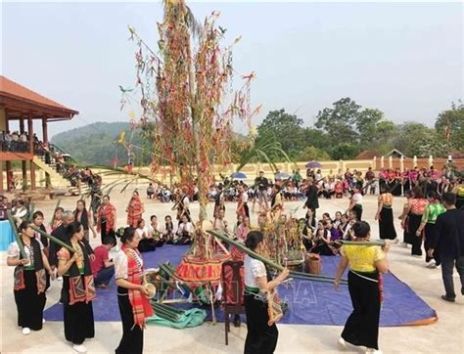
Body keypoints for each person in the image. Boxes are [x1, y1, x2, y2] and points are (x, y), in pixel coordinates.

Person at [334, 221, 389, 354]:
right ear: (369, 234)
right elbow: (384, 269)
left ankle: (345, 336)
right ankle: (371, 347)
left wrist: (337, 279)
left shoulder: (348, 246)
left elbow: (342, 265)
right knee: (371, 313)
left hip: (353, 279)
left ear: (355, 233)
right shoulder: (374, 248)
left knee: (359, 310)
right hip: (369, 281)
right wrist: (385, 252)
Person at [243, 231, 289, 354]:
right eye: (264, 242)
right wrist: (281, 277)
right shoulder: (257, 263)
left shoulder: (248, 255)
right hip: (257, 301)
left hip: (250, 298)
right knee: (270, 335)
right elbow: (264, 288)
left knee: (254, 332)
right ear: (260, 244)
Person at [7, 221, 52, 335]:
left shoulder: (37, 242)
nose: (34, 230)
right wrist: (19, 261)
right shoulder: (16, 244)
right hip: (24, 274)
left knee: (39, 297)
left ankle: (36, 318)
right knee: (24, 299)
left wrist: (49, 270)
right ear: (23, 230)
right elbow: (9, 261)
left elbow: (42, 256)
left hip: (37, 273)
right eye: (31, 228)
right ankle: (25, 323)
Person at [57, 222, 95, 353]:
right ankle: (76, 339)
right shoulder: (64, 249)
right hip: (71, 283)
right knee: (74, 310)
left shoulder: (82, 244)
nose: (83, 233)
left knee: (84, 307)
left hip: (83, 279)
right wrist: (72, 259)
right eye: (81, 231)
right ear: (75, 233)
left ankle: (85, 332)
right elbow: (60, 271)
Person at [114, 227, 153, 354]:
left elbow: (140, 270)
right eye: (136, 237)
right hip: (127, 295)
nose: (139, 239)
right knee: (131, 326)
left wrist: (145, 282)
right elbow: (119, 280)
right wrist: (139, 287)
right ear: (129, 240)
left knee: (137, 327)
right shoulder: (122, 256)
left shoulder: (135, 251)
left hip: (137, 291)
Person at [429, 193, 464, 302]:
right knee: (463, 270)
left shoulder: (442, 217)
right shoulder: (462, 215)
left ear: (444, 202)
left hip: (447, 248)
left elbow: (436, 235)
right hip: (462, 247)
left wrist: (431, 248)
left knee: (447, 273)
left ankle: (450, 295)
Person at [416, 191, 446, 267]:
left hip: (430, 226)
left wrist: (419, 229)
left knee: (428, 242)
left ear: (432, 198)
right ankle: (438, 260)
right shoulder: (442, 207)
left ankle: (431, 258)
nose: (427, 199)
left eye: (428, 197)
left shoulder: (429, 207)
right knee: (438, 243)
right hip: (440, 226)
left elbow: (424, 220)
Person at [406, 187, 428, 257]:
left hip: (413, 218)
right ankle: (417, 249)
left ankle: (416, 250)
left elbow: (408, 209)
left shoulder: (411, 200)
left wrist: (404, 216)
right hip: (421, 217)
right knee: (419, 234)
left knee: (413, 233)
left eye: (413, 192)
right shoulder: (426, 201)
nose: (412, 193)